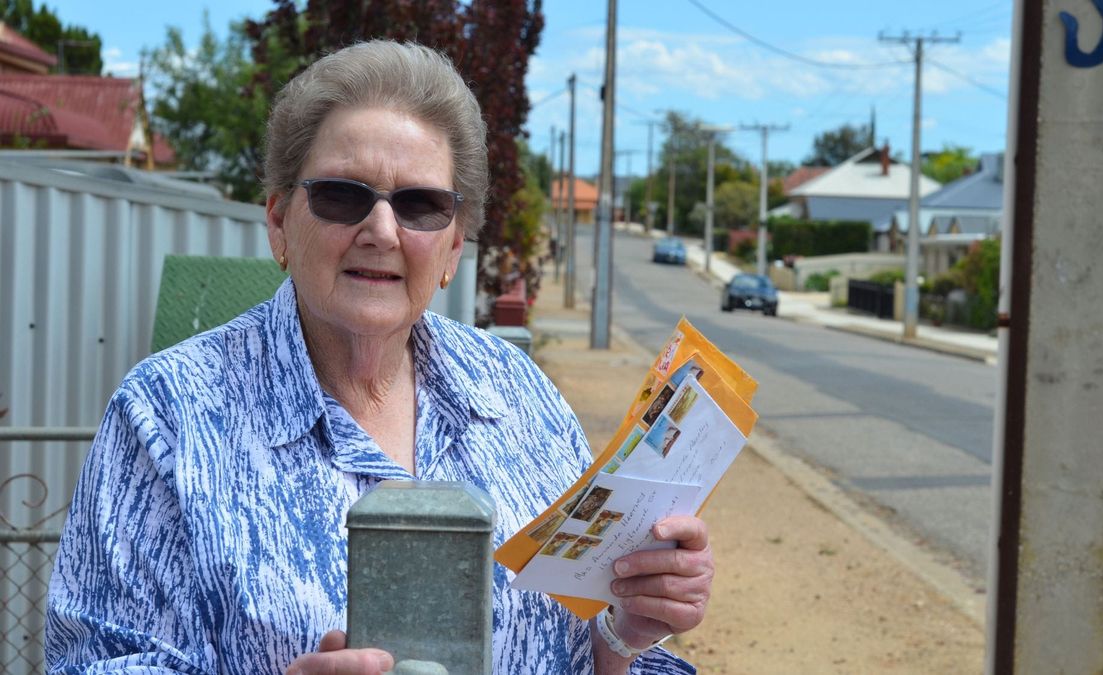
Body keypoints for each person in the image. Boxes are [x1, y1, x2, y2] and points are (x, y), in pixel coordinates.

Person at [44, 41, 714, 674]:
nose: (383, 230)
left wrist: (624, 630)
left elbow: (570, 651)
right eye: (343, 195)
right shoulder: (168, 415)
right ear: (279, 220)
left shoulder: (517, 396)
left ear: (453, 247)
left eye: (422, 205)